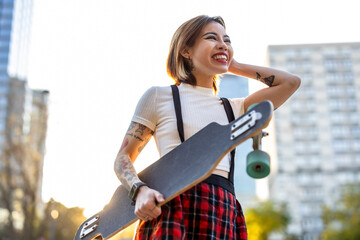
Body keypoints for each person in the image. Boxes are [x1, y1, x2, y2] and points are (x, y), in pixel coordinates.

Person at [114, 15, 300, 239]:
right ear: (186, 50)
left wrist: (234, 65)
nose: (223, 44)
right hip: (172, 205)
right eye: (211, 38)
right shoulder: (159, 97)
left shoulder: (236, 108)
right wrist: (139, 190)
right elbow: (123, 158)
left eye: (227, 40)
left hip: (222, 209)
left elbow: (290, 83)